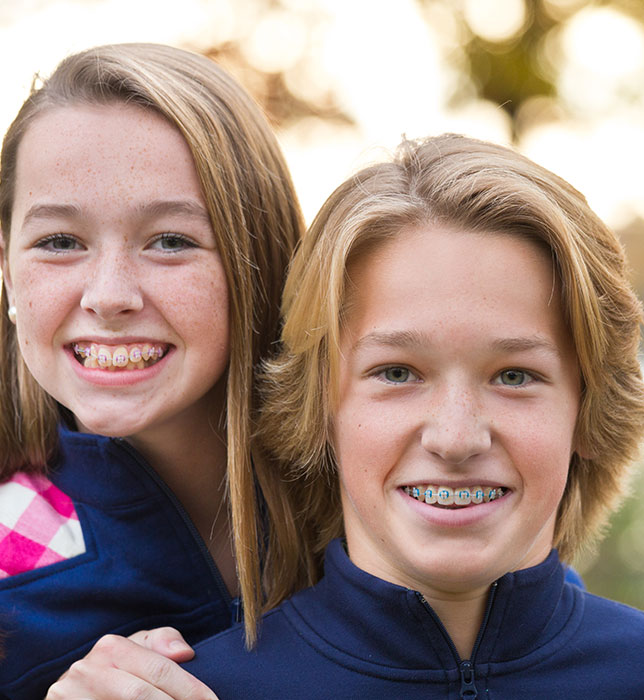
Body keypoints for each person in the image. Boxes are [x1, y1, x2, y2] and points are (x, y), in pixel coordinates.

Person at [173, 134, 644, 698]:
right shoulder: (202, 690)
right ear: (319, 407)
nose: (455, 438)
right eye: (397, 373)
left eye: (514, 376)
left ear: (590, 411)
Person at [0, 43, 304, 699]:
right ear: (6, 267)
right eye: (60, 242)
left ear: (262, 256)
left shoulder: (382, 523)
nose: (109, 295)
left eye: (170, 240)